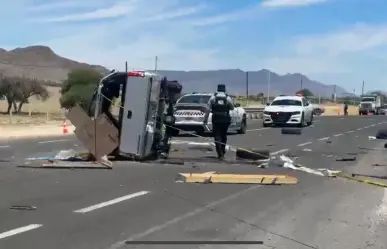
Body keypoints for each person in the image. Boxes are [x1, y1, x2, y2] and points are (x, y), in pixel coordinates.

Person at [208, 84, 234, 159]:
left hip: (216, 119)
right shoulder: (227, 98)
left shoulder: (213, 98)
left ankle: (220, 153)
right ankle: (223, 150)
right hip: (225, 119)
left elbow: (208, 108)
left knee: (217, 136)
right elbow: (232, 108)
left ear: (218, 89)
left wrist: (205, 119)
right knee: (224, 135)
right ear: (224, 90)